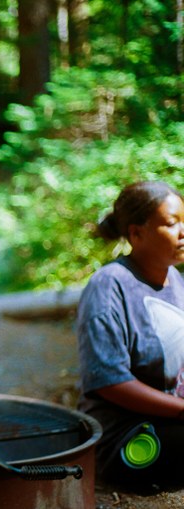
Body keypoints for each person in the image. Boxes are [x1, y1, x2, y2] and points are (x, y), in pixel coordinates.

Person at [77, 180, 184, 488]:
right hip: (129, 435)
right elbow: (110, 382)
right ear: (136, 233)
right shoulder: (109, 286)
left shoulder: (175, 280)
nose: (183, 232)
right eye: (171, 223)